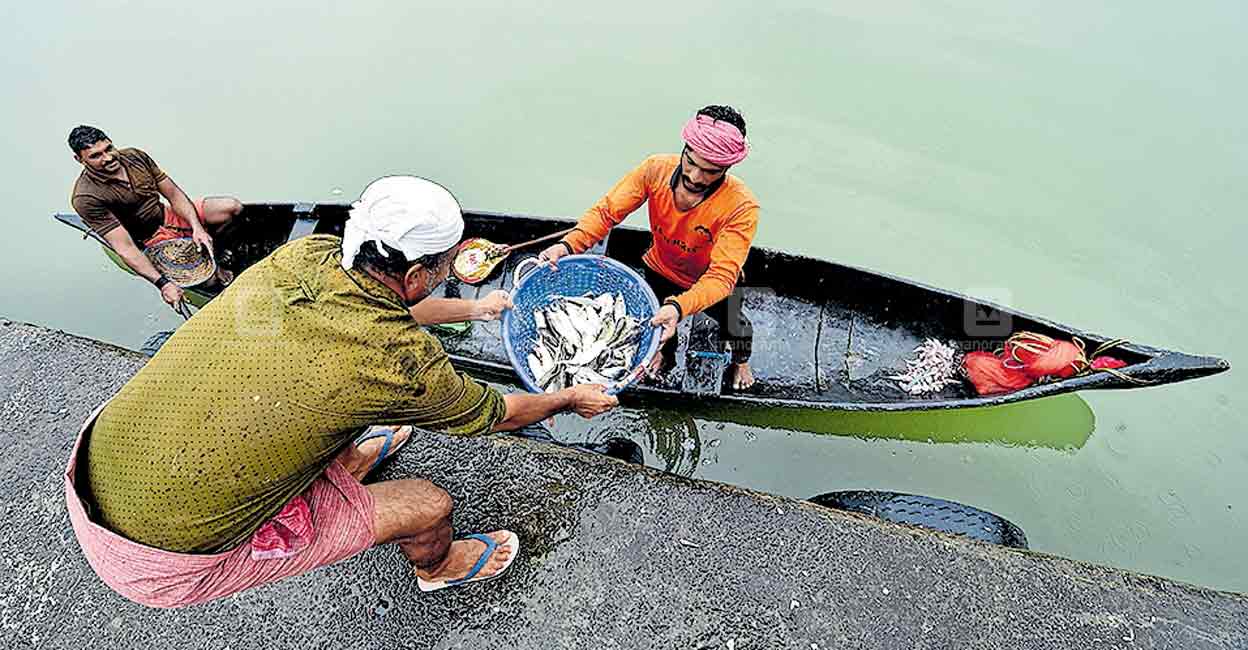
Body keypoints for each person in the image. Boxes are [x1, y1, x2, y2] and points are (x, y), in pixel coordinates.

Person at [64, 176, 619, 608]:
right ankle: (438, 569)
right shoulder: (399, 363)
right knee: (428, 504)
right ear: (420, 274)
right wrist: (570, 397)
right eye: (446, 265)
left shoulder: (303, 257)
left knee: (315, 396)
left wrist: (475, 307)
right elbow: (497, 413)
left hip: (96, 463)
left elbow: (386, 313)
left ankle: (346, 464)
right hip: (160, 559)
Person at [539, 105, 760, 390]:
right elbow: (607, 213)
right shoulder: (655, 170)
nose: (695, 176)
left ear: (727, 168)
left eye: (711, 171)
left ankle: (740, 362)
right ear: (684, 148)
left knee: (738, 326)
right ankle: (664, 355)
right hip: (660, 267)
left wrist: (680, 307)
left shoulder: (741, 206)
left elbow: (720, 277)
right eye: (690, 161)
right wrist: (569, 244)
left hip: (713, 283)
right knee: (660, 328)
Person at [68, 125, 242, 311]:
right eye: (96, 156)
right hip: (150, 239)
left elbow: (174, 194)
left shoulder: (135, 156)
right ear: (79, 159)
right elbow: (125, 247)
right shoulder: (85, 197)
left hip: (167, 215)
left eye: (109, 149)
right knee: (211, 282)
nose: (108, 158)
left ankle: (214, 251)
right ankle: (209, 269)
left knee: (231, 207)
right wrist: (163, 284)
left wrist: (197, 227)